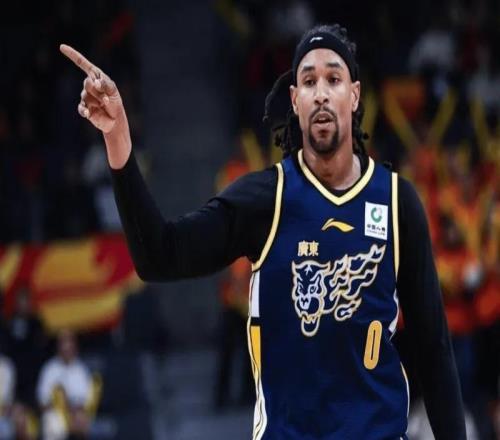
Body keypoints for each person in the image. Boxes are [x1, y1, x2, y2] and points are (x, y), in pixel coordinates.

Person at [60, 23, 466, 439]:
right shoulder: (266, 198)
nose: (321, 93)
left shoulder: (397, 201)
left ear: (355, 95)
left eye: (334, 79)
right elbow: (159, 256)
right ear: (295, 100)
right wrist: (118, 137)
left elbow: (434, 348)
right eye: (309, 81)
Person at [37, 330, 92, 440]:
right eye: (64, 345)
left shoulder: (81, 369)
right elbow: (42, 402)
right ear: (58, 347)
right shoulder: (50, 368)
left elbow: (87, 401)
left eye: (70, 345)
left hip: (76, 414)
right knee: (53, 422)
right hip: (55, 413)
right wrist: (62, 409)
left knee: (83, 419)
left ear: (75, 348)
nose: (67, 349)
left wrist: (73, 413)